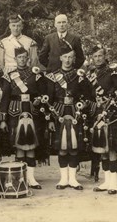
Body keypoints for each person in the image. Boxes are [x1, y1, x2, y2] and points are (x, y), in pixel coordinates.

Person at [45, 42, 94, 191]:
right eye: (65, 57)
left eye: (70, 57)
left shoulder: (80, 76)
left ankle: (73, 179)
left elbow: (87, 96)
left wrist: (83, 106)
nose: (67, 60)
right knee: (61, 147)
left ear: (74, 59)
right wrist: (50, 119)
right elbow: (49, 98)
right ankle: (63, 179)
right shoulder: (53, 76)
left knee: (74, 146)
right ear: (60, 57)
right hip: (58, 113)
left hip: (75, 114)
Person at [0, 47, 47, 189]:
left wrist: (38, 100)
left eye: (24, 57)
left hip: (32, 111)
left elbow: (42, 92)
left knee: (31, 144)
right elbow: (5, 98)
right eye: (19, 57)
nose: (22, 59)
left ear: (28, 59)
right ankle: (20, 178)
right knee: (19, 144)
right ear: (15, 59)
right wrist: (3, 119)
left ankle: (31, 179)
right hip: (14, 111)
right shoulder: (9, 75)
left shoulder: (36, 74)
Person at [87, 44, 117, 195]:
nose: (98, 59)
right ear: (92, 58)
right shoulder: (90, 73)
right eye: (95, 56)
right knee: (102, 148)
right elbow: (91, 95)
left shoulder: (113, 72)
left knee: (111, 149)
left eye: (100, 56)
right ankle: (106, 181)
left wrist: (112, 108)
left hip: (111, 113)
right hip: (98, 113)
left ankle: (114, 183)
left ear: (105, 56)